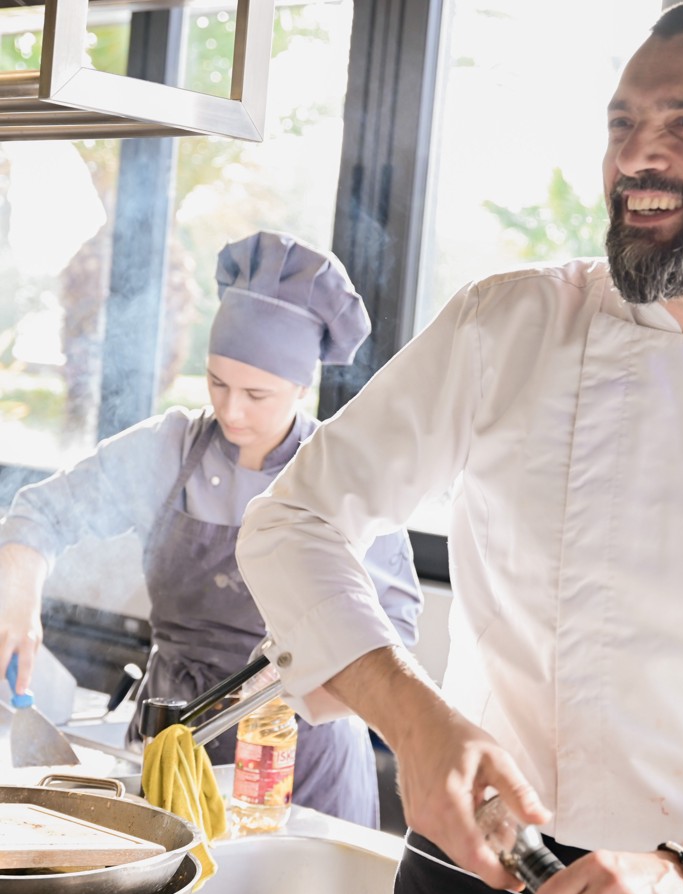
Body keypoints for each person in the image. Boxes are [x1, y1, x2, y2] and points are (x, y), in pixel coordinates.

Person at [236, 4, 683, 894]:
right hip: (464, 863)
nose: (635, 158)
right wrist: (414, 721)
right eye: (621, 124)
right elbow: (291, 523)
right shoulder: (508, 321)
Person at [0, 230, 423, 828]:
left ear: (303, 387)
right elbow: (40, 515)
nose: (231, 411)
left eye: (257, 393)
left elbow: (394, 635)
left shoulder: (342, 476)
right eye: (217, 383)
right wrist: (18, 601)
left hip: (297, 765)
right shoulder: (171, 446)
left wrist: (301, 691)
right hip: (171, 740)